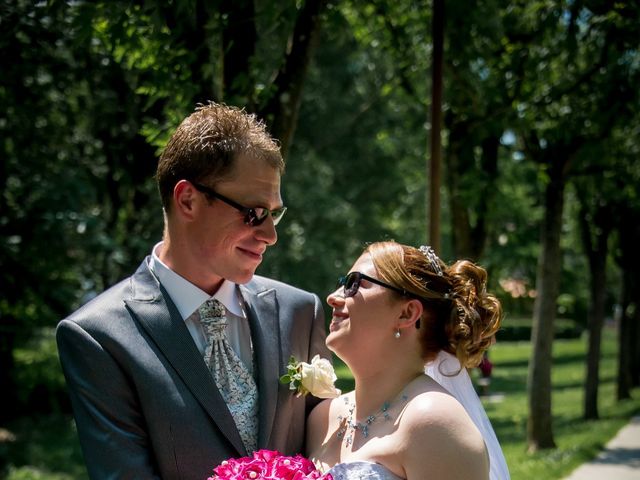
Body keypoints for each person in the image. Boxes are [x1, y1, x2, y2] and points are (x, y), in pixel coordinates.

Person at [57, 103, 330, 479]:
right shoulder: (98, 337)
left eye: (275, 213)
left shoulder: (300, 311)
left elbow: (329, 453)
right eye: (253, 212)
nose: (270, 235)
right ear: (188, 199)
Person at [306, 241, 508, 480]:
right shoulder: (322, 417)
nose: (332, 297)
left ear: (407, 313)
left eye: (354, 285)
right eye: (343, 283)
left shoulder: (433, 422)